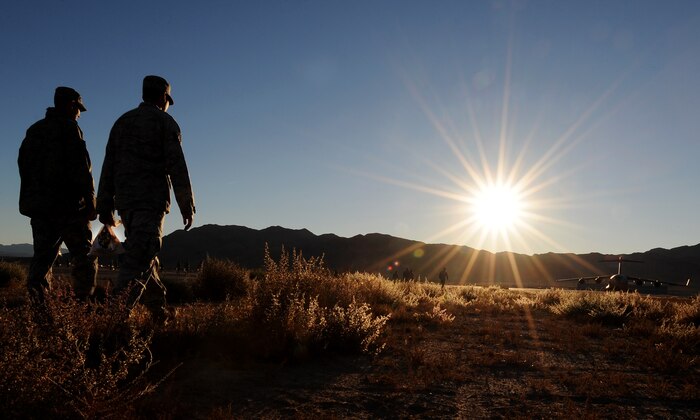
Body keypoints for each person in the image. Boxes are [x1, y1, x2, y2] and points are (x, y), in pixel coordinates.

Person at [96, 75, 195, 317]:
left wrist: (104, 204)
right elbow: (177, 166)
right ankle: (114, 319)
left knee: (142, 253)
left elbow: (108, 165)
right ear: (163, 97)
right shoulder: (164, 122)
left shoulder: (121, 123)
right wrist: (187, 204)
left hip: (126, 205)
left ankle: (158, 311)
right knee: (140, 257)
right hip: (150, 202)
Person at [18, 87, 98, 302]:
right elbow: (82, 168)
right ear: (71, 105)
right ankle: (83, 309)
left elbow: (23, 166)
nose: (80, 114)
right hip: (69, 208)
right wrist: (90, 202)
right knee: (84, 258)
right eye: (78, 108)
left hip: (41, 208)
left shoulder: (34, 130)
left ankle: (40, 313)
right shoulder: (70, 128)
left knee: (42, 261)